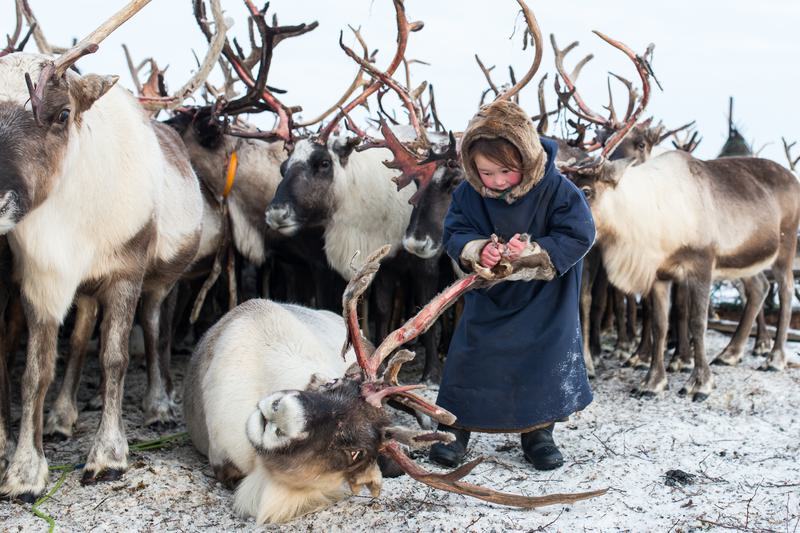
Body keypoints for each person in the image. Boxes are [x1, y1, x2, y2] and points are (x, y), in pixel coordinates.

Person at [429, 99, 596, 471]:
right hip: (491, 297)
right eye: (486, 173)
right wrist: (478, 250)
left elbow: (580, 233)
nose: (498, 181)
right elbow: (456, 230)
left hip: (545, 298)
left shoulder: (558, 190)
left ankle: (538, 433)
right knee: (470, 356)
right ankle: (454, 430)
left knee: (541, 361)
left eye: (506, 171)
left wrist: (532, 253)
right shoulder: (469, 193)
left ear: (527, 158)